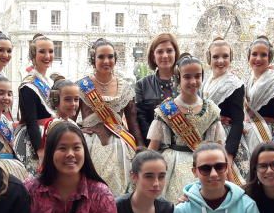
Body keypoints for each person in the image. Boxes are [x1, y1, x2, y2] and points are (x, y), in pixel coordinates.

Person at [147, 54, 226, 202]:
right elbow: (153, 148)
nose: (193, 81)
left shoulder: (211, 109)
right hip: (171, 166)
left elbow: (219, 147)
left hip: (203, 166)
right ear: (178, 79)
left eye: (197, 76)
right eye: (187, 77)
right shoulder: (166, 109)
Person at [78, 38, 142, 195]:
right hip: (89, 144)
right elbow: (69, 119)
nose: (106, 61)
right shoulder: (81, 86)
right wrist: (78, 131)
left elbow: (132, 121)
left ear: (115, 59)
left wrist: (140, 146)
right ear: (93, 59)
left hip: (119, 145)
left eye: (110, 56)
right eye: (101, 57)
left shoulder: (125, 87)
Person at [15, 33, 57, 173]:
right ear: (33, 55)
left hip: (53, 135)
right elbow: (31, 121)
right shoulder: (28, 85)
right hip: (37, 139)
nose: (47, 56)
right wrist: (40, 150)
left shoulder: (50, 82)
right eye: (42, 52)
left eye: (51, 51)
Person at [202, 37, 246, 173]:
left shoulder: (235, 84)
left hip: (226, 139)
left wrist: (229, 153)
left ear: (230, 58)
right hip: (206, 136)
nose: (220, 61)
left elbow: (238, 121)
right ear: (209, 59)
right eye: (216, 57)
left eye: (225, 56)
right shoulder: (206, 80)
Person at [135, 33, 179, 140]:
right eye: (160, 51)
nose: (165, 55)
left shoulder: (187, 82)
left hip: (183, 148)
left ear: (175, 54)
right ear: (153, 57)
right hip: (153, 147)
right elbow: (140, 120)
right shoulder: (142, 85)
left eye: (169, 51)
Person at [246, 35, 274, 133]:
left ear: (270, 58)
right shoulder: (248, 81)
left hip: (268, 135)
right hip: (248, 134)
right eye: (254, 54)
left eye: (263, 55)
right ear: (249, 57)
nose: (258, 58)